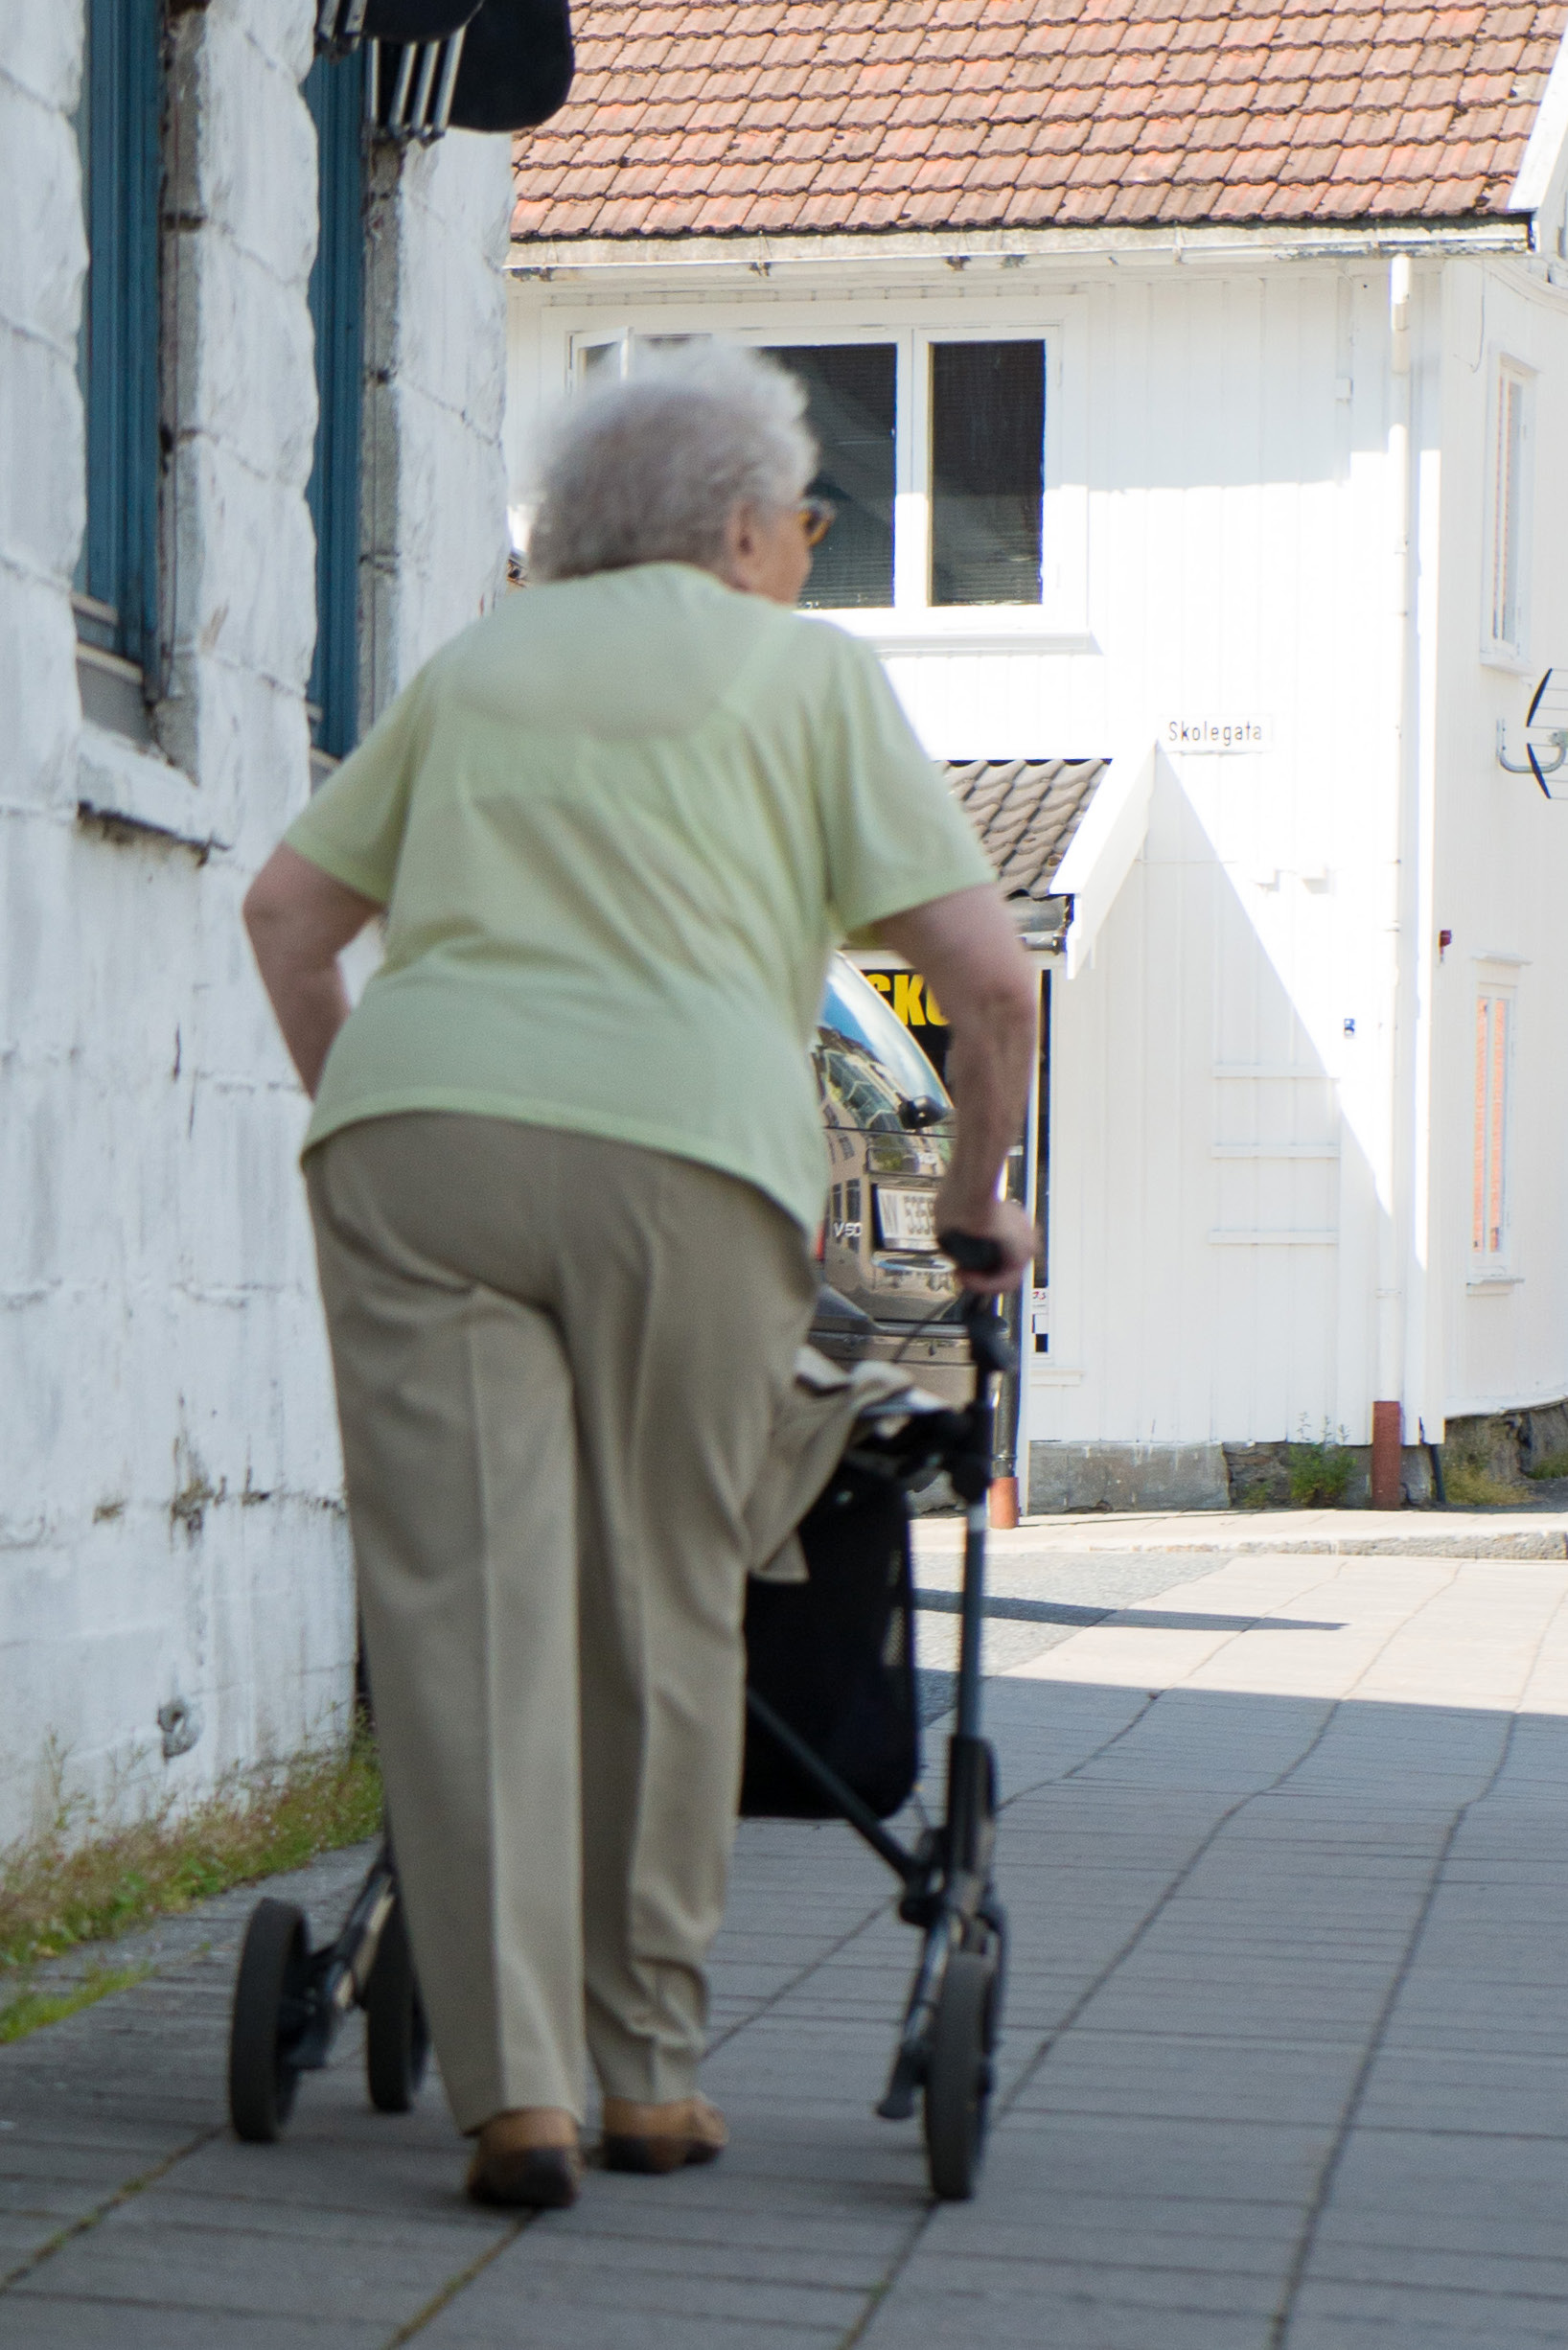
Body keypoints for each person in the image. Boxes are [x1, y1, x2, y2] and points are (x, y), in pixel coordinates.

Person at [243, 345, 1036, 2210]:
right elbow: (990, 984)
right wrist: (971, 1203)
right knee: (669, 1594)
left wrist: (375, 1096)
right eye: (807, 525)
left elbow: (286, 917)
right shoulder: (805, 674)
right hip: (688, 1156)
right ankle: (648, 2074)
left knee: (467, 1613)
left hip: (413, 1144)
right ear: (749, 528)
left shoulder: (474, 663)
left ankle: (510, 2093)